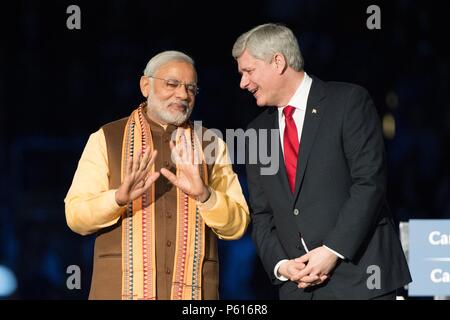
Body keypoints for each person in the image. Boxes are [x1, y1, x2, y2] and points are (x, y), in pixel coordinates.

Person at [232, 23, 411, 299]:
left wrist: (332, 251)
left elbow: (369, 184)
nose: (243, 83)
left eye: (248, 71)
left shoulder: (348, 102)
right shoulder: (256, 132)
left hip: (363, 281)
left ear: (278, 61)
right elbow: (262, 213)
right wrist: (282, 266)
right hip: (300, 289)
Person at [65, 50, 250, 300]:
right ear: (145, 85)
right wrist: (117, 199)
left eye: (191, 88)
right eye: (172, 84)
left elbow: (238, 224)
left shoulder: (211, 144)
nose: (183, 94)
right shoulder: (106, 138)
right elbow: (75, 216)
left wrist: (205, 195)